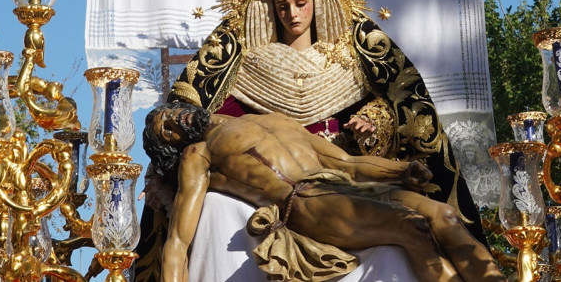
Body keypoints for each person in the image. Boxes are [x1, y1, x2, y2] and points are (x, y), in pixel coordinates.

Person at [134, 0, 489, 281]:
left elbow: (401, 106)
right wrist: (163, 179)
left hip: (339, 171)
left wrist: (376, 125)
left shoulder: (356, 55)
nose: (292, 14)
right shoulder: (243, 66)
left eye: (301, 3)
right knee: (220, 210)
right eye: (281, 6)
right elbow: (191, 112)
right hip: (291, 194)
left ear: (319, 2)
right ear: (269, 10)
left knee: (439, 218)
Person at [144, 102, 505, 282]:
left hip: (340, 185)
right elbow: (177, 241)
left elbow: (347, 163)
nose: (176, 121)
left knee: (444, 215)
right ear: (172, 147)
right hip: (305, 202)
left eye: (171, 115)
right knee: (412, 227)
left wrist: (400, 170)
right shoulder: (199, 155)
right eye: (168, 131)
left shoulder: (274, 119)